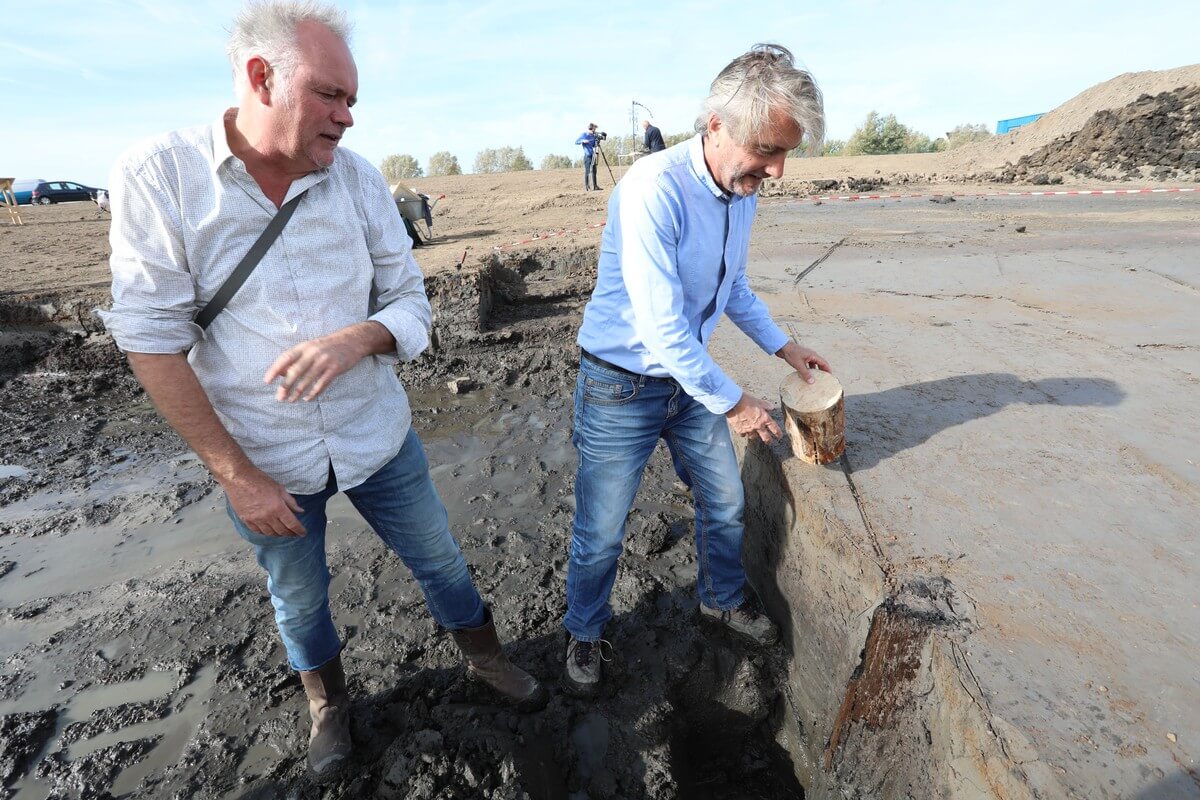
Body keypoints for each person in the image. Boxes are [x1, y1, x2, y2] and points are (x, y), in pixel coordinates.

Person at [98, 0, 546, 782]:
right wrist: (238, 478)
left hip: (376, 434)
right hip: (264, 460)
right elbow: (151, 340)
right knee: (298, 600)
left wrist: (357, 338)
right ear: (260, 76)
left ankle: (486, 658)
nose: (346, 118)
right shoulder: (159, 177)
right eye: (330, 96)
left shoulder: (361, 183)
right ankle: (329, 706)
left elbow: (411, 302)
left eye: (352, 101)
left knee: (440, 559)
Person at [562, 43, 831, 697]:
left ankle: (720, 599)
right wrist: (735, 401)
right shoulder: (653, 189)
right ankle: (584, 631)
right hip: (620, 384)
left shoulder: (743, 191)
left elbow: (732, 286)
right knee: (602, 529)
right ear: (717, 125)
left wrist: (783, 347)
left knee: (726, 501)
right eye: (769, 149)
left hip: (689, 383)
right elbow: (660, 328)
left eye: (784, 154)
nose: (778, 169)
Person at [575, 122, 601, 191]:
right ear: (591, 128)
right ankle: (587, 187)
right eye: (594, 129)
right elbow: (576, 141)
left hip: (593, 155)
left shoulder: (593, 136)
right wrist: (583, 140)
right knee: (587, 171)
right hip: (587, 156)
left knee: (594, 171)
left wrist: (597, 142)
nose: (595, 130)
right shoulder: (584, 134)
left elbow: (593, 145)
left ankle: (595, 186)